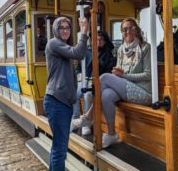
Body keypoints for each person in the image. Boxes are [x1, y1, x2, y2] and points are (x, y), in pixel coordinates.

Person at [72, 17, 152, 148]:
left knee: (104, 78)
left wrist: (123, 75)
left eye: (130, 28)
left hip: (143, 91)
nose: (127, 32)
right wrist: (118, 73)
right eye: (124, 29)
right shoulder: (121, 50)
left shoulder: (145, 48)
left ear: (136, 30)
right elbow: (119, 73)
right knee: (106, 95)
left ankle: (88, 117)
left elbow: (148, 75)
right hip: (126, 88)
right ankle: (111, 134)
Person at [43, 16, 88, 171]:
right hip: (57, 102)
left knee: (58, 148)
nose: (65, 30)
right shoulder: (54, 43)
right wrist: (84, 32)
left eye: (67, 27)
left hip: (62, 103)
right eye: (61, 27)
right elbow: (79, 53)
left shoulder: (62, 46)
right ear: (55, 29)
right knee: (60, 150)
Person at [71, 30, 115, 135]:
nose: (98, 41)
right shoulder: (88, 52)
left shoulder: (108, 55)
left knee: (87, 95)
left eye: (101, 39)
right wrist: (81, 77)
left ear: (105, 41)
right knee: (75, 94)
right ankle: (75, 119)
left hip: (99, 82)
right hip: (85, 80)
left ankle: (87, 125)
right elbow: (80, 68)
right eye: (96, 39)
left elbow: (108, 72)